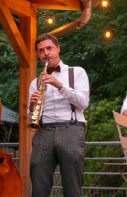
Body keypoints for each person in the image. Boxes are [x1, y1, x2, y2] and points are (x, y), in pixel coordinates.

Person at [27, 33, 90, 197]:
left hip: (71, 129)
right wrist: (32, 106)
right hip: (44, 132)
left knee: (72, 187)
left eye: (49, 48)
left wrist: (60, 85)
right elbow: (30, 116)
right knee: (38, 187)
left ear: (58, 48)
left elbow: (83, 103)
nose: (45, 53)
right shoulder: (35, 82)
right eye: (41, 51)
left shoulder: (77, 73)